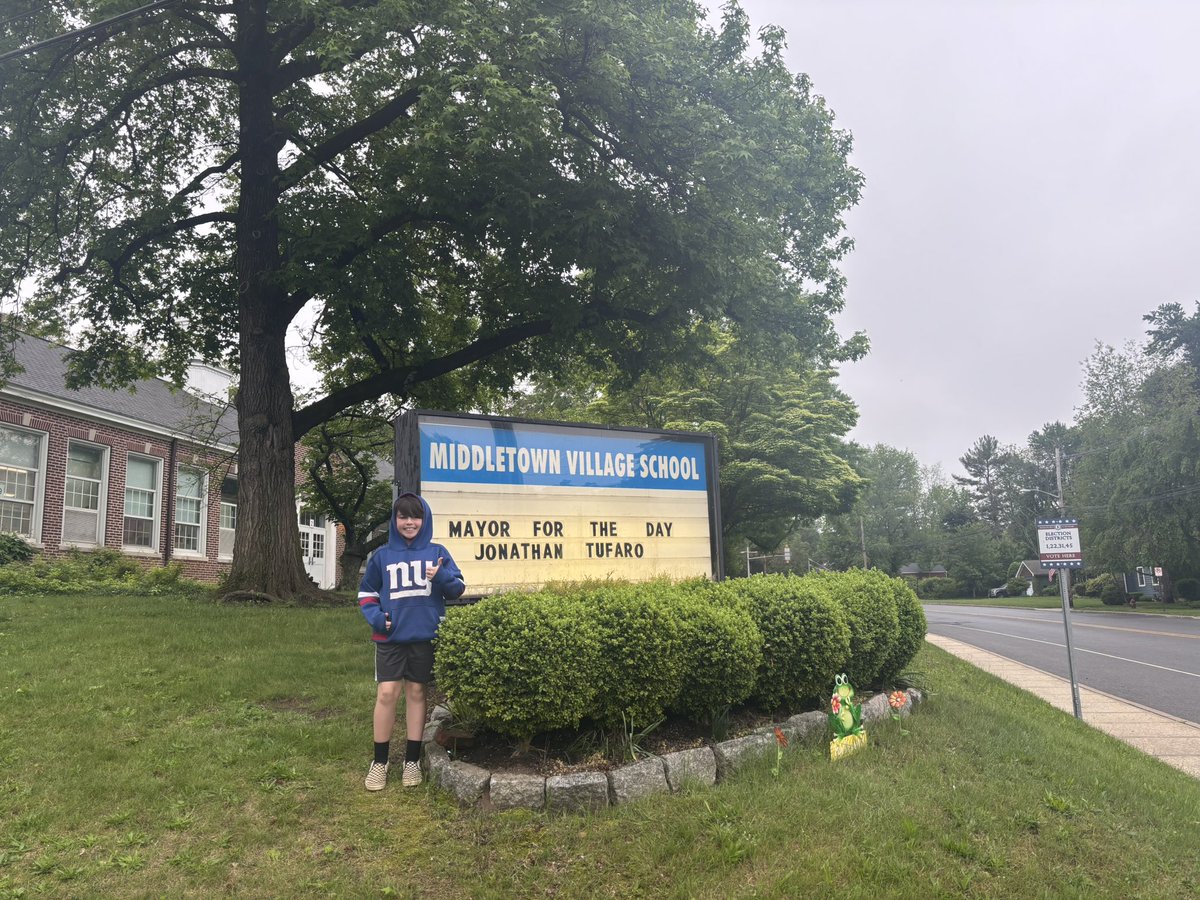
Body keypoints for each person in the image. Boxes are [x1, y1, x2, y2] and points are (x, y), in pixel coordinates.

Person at [358, 492, 465, 791]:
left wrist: (441, 575)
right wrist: (377, 618)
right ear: (395, 520)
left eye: (415, 516)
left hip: (424, 638)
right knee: (387, 694)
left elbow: (457, 588)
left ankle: (412, 760)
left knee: (417, 693)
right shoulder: (381, 556)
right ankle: (380, 762)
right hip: (390, 638)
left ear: (424, 519)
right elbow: (366, 594)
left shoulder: (437, 552)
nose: (409, 522)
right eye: (403, 516)